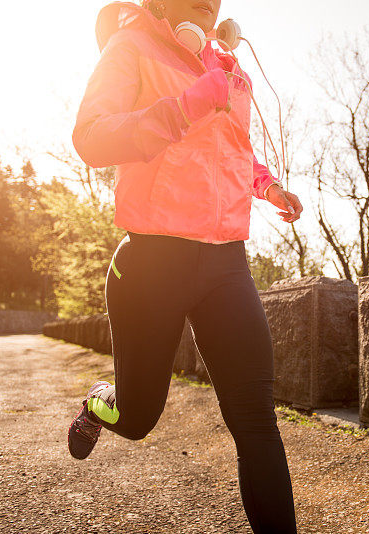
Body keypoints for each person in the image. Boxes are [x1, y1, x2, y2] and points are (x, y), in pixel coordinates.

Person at [66, 1, 302, 532]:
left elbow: (236, 148)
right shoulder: (130, 47)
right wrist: (186, 106)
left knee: (257, 423)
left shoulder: (226, 64)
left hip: (227, 264)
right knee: (137, 418)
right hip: (151, 262)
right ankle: (100, 402)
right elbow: (91, 136)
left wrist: (268, 186)